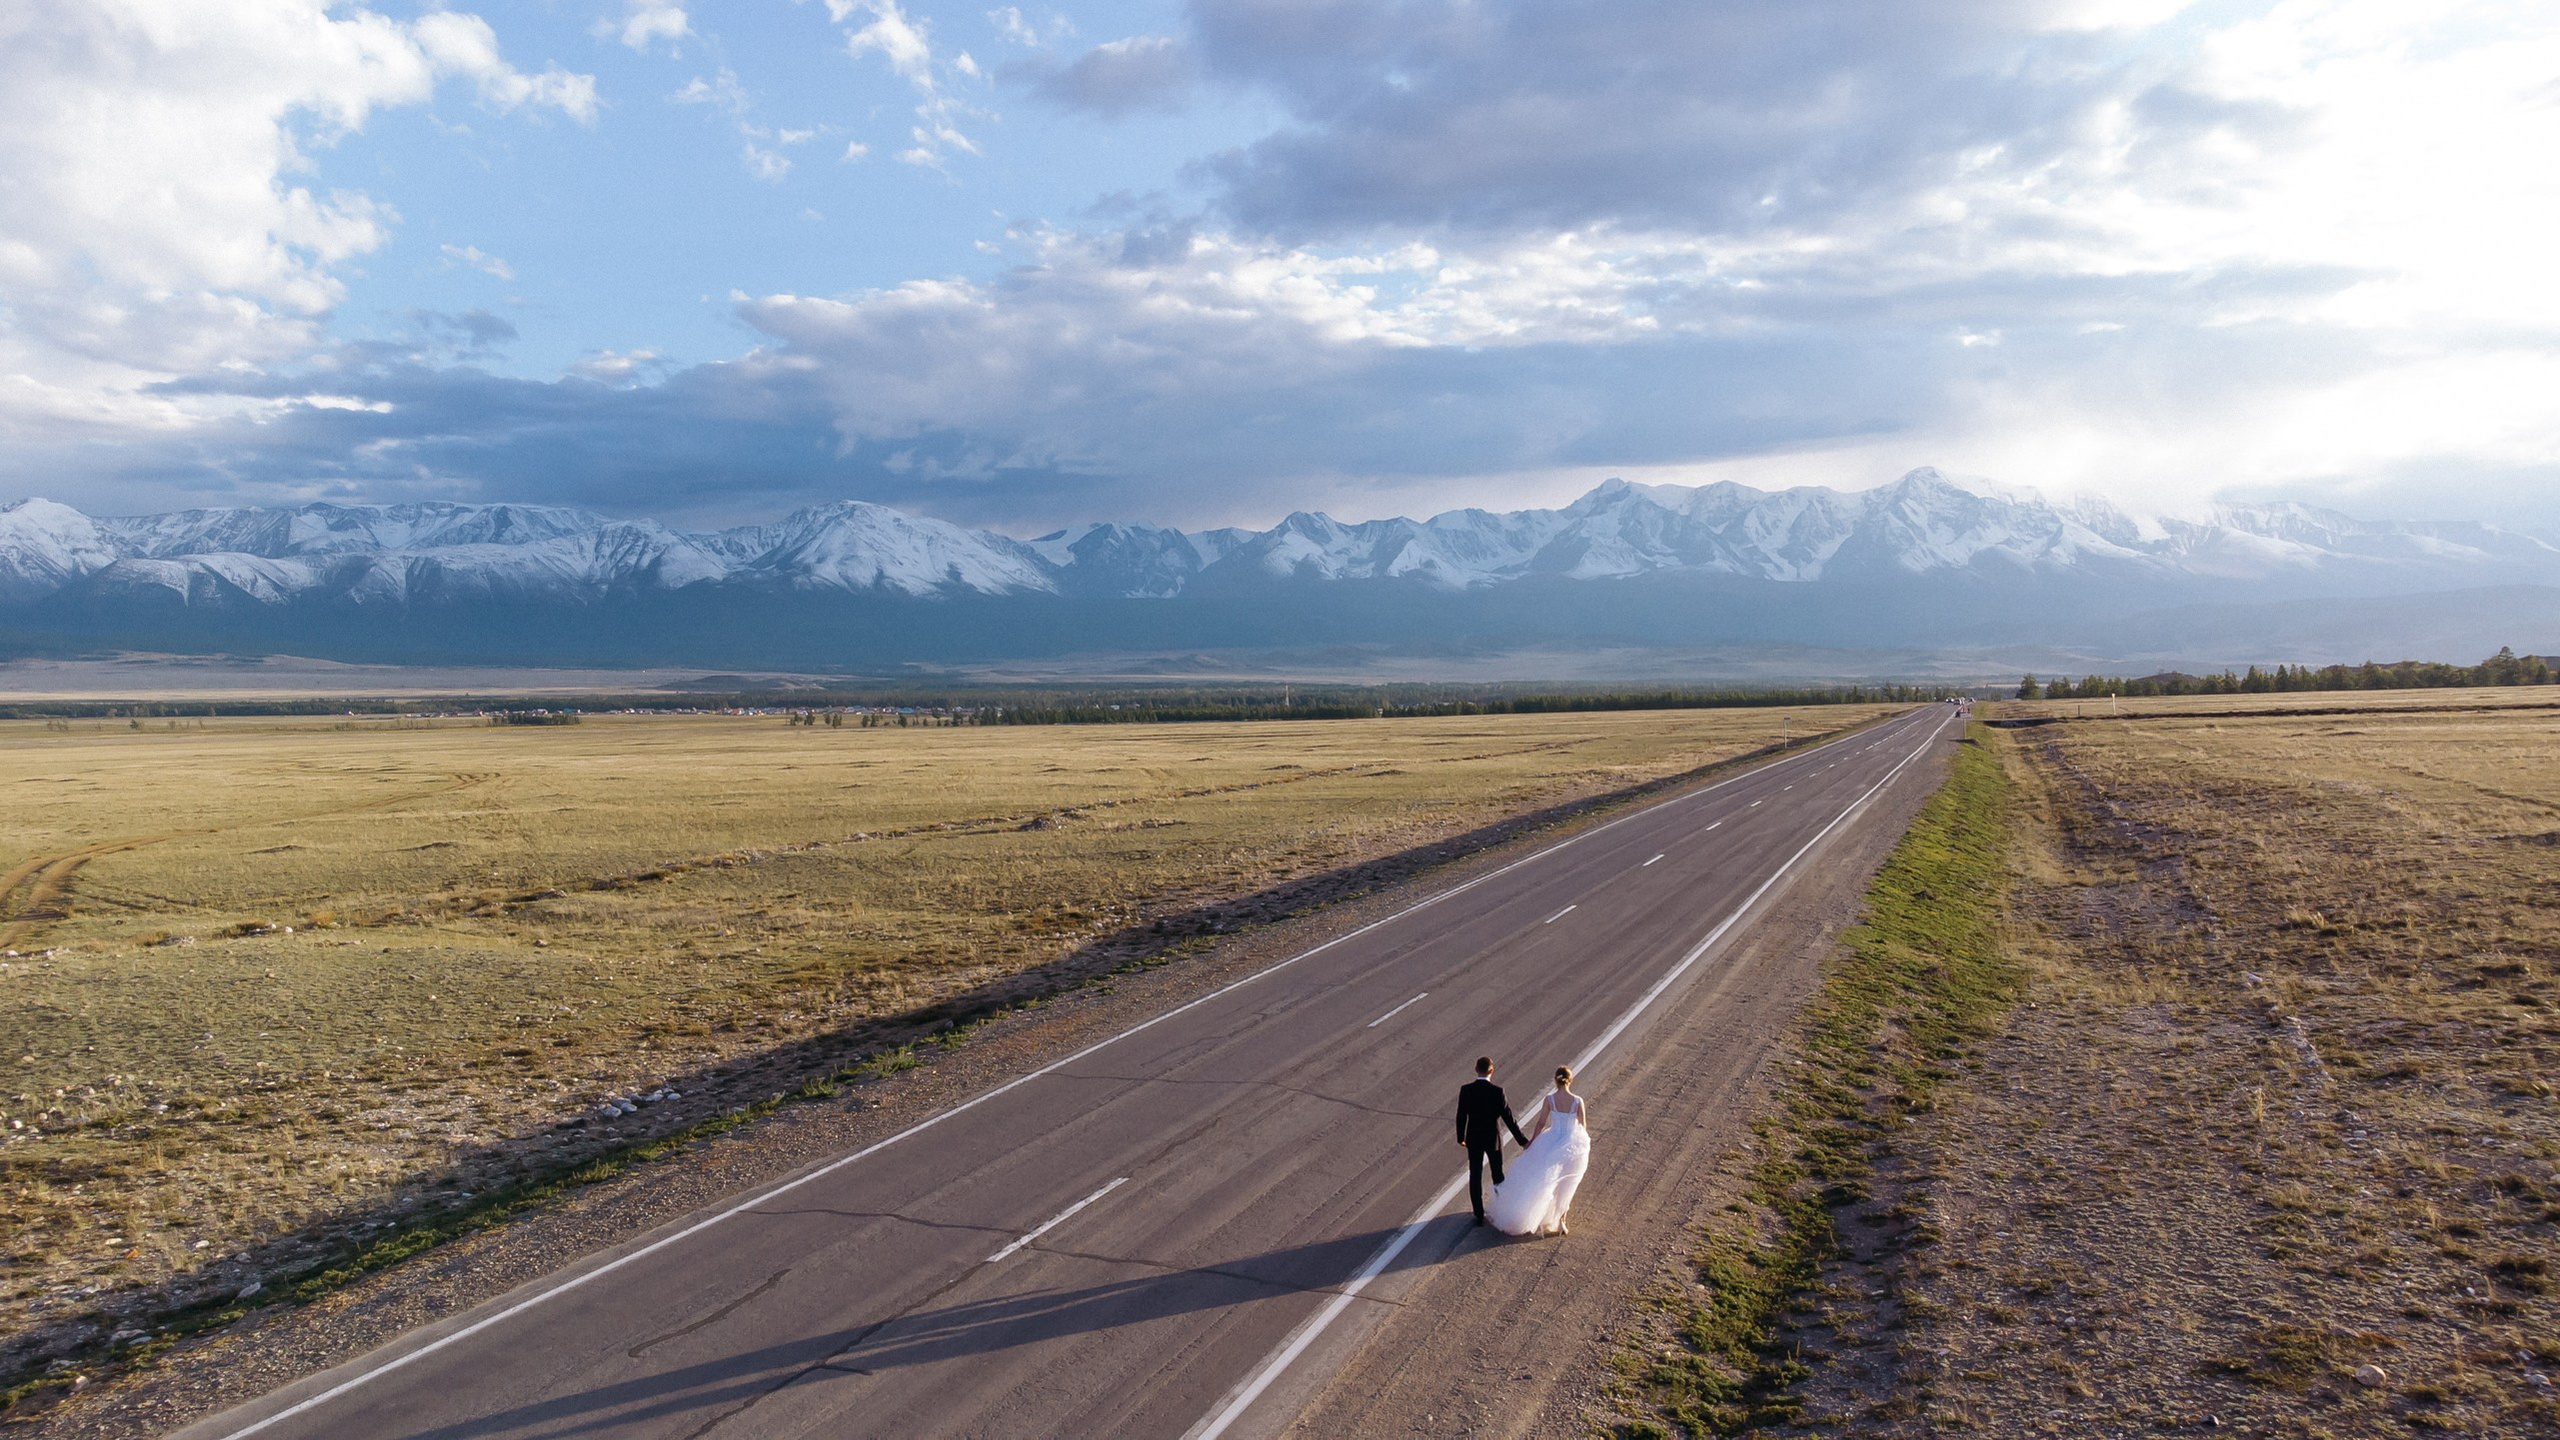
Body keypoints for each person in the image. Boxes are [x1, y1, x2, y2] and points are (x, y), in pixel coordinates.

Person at [1487, 1065, 1592, 1237]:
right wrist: (1582, 1144)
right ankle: (1561, 1221)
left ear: (1555, 1080)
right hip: (1571, 1145)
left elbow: (1541, 1123)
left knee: (1547, 1180)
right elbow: (1582, 1126)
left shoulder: (1550, 1099)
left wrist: (1533, 1142)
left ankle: (1542, 1214)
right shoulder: (1577, 1100)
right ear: (1570, 1080)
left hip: (1550, 1142)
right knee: (1567, 1183)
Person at [1455, 1056, 1530, 1227]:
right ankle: (1499, 1208)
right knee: (1497, 1173)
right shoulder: (1497, 1092)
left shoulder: (1466, 1090)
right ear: (1491, 1071)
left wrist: (1461, 1137)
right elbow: (1509, 1119)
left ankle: (1478, 1214)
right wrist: (1522, 1141)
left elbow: (1461, 1115)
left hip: (1473, 1138)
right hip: (1492, 1139)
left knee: (1475, 1174)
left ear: (1476, 1069)